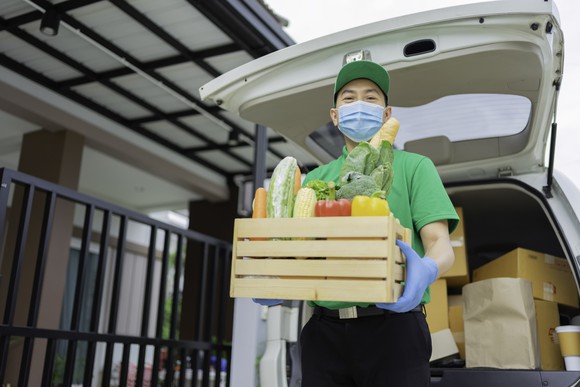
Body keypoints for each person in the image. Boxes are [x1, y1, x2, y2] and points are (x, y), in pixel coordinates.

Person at [256, 59, 459, 386]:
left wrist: (428, 270)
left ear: (387, 112)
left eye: (371, 97)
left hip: (395, 329)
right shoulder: (315, 179)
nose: (359, 105)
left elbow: (440, 244)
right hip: (324, 333)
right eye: (349, 99)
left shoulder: (414, 167)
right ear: (335, 116)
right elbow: (296, 252)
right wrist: (274, 280)